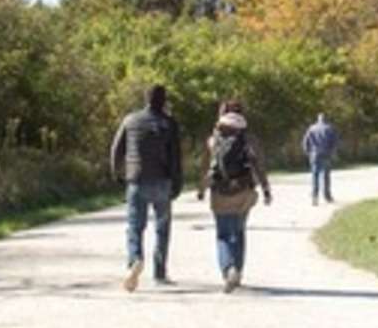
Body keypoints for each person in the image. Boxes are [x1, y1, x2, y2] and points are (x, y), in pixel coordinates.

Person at [110, 84, 183, 292]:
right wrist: (177, 183)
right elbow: (176, 157)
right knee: (162, 228)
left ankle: (135, 260)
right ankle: (159, 272)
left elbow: (116, 149)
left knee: (135, 225)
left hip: (136, 179)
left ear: (146, 99)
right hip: (162, 180)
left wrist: (117, 173)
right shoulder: (169, 124)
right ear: (164, 100)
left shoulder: (131, 120)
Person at [196, 101, 272, 293]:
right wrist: (265, 189)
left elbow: (206, 167)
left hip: (220, 192)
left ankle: (228, 268)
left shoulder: (213, 139)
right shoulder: (249, 139)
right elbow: (259, 166)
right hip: (243, 190)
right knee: (238, 231)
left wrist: (201, 189)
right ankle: (237, 270)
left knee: (223, 234)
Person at [301, 112, 339, 206]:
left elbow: (305, 142)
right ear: (325, 119)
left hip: (314, 154)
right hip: (326, 154)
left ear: (318, 119)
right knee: (325, 176)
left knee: (315, 176)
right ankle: (327, 196)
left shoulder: (311, 128)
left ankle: (315, 197)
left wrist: (308, 152)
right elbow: (334, 142)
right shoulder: (329, 128)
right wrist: (332, 153)